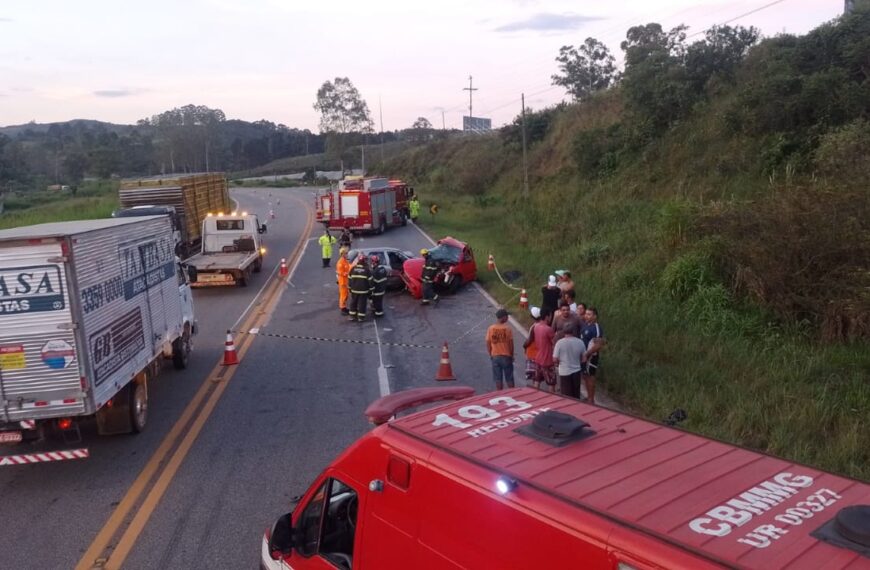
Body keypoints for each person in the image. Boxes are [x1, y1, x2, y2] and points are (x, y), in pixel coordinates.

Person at [552, 324, 587, 399]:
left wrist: (558, 363)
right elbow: (584, 359)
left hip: (564, 372)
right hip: (577, 371)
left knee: (566, 396)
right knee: (576, 395)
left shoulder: (559, 343)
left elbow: (554, 359)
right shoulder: (580, 342)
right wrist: (577, 362)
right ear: (573, 331)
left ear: (564, 331)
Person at [579, 307, 606, 403]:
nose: (586, 316)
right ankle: (588, 396)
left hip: (591, 357)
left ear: (595, 316)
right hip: (583, 355)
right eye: (586, 314)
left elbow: (598, 345)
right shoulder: (585, 325)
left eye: (589, 314)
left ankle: (591, 399)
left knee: (590, 376)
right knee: (585, 375)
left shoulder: (596, 328)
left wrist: (587, 354)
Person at [485, 308, 515, 390]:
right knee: (509, 377)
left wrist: (490, 353)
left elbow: (488, 342)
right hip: (506, 356)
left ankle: (499, 393)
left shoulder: (491, 328)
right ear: (503, 317)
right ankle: (512, 393)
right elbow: (511, 344)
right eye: (506, 316)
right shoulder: (508, 329)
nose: (508, 318)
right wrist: (511, 355)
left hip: (495, 356)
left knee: (498, 379)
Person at [531, 309, 556, 392]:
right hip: (548, 360)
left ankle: (534, 398)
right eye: (550, 316)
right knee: (551, 383)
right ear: (547, 317)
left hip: (538, 358)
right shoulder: (548, 329)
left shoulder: (536, 327)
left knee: (537, 381)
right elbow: (554, 343)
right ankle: (551, 401)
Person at [347, 254, 372, 322]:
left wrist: (350, 288)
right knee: (362, 304)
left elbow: (349, 279)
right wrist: (370, 290)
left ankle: (352, 316)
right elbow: (370, 281)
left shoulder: (353, 268)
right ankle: (361, 317)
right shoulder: (367, 270)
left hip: (354, 290)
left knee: (353, 302)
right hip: (363, 291)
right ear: (364, 261)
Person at [522, 306, 542, 384]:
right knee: (538, 377)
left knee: (535, 378)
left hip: (533, 354)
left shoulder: (534, 327)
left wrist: (524, 345)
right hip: (540, 353)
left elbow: (529, 340)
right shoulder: (543, 325)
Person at [336, 247, 351, 315]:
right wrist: (347, 273)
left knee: (346, 295)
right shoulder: (340, 262)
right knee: (343, 295)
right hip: (342, 282)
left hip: (346, 281)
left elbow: (349, 267)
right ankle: (342, 308)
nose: (347, 254)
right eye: (346, 253)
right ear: (342, 254)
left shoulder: (345, 261)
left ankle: (344, 307)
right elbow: (340, 273)